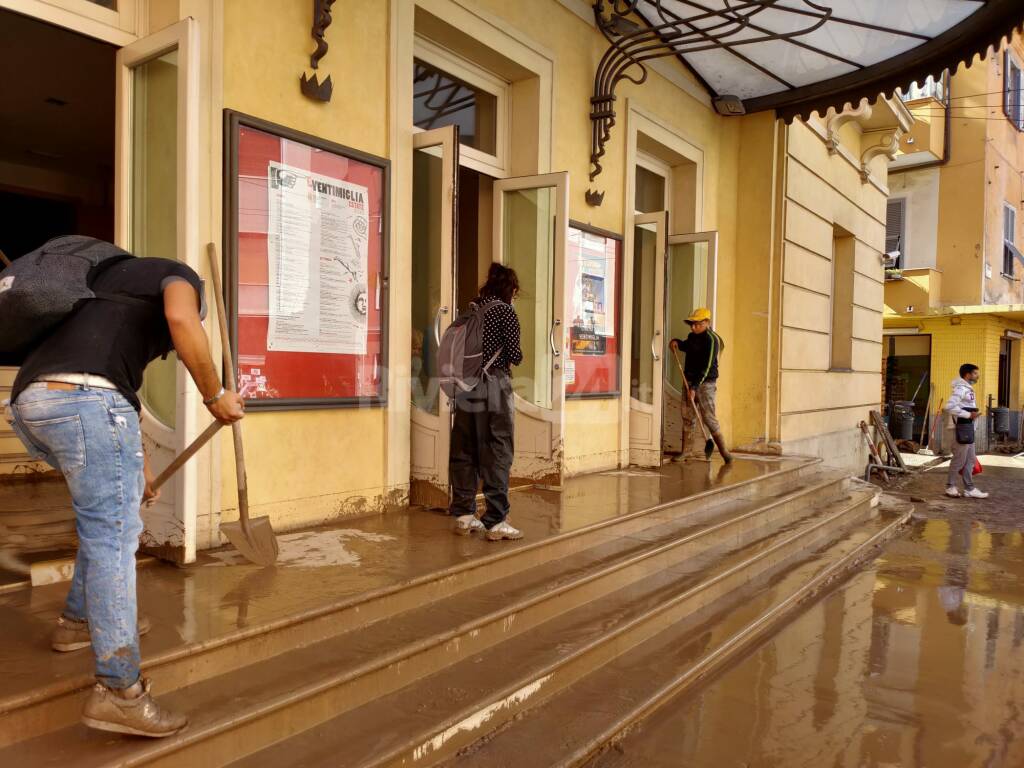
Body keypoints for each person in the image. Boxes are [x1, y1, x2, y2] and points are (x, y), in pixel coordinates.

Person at [4, 253, 245, 737]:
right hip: (85, 401)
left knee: (105, 522)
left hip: (33, 401)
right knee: (113, 537)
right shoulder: (179, 279)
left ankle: (76, 623)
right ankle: (119, 692)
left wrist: (140, 470)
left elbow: (118, 387)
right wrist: (216, 395)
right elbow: (180, 318)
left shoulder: (106, 292)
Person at [449, 263, 524, 542]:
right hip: (494, 385)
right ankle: (495, 520)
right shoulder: (504, 311)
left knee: (465, 447)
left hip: (466, 386)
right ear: (510, 289)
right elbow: (515, 355)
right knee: (498, 448)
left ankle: (464, 514)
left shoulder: (470, 310)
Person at [669, 307, 731, 463]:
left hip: (705, 384)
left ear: (707, 323)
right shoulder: (692, 336)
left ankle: (724, 453)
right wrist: (677, 343)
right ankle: (686, 452)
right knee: (688, 416)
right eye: (691, 324)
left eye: (697, 324)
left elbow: (707, 366)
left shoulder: (712, 339)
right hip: (688, 380)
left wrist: (695, 387)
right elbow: (686, 346)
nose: (693, 327)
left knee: (709, 418)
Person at [943, 363, 988, 499]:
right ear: (967, 375)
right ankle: (950, 487)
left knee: (970, 460)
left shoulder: (967, 389)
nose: (977, 376)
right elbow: (949, 407)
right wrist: (969, 415)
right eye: (975, 373)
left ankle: (969, 488)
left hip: (968, 430)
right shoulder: (961, 389)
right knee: (959, 460)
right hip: (960, 430)